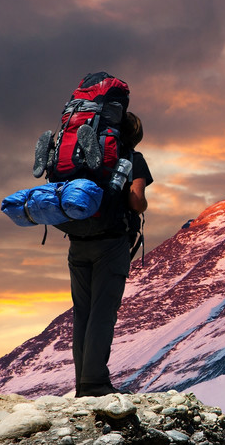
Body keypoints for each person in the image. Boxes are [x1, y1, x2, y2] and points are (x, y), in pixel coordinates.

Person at [67, 111, 152, 397]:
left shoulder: (83, 156)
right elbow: (136, 200)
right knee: (103, 312)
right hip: (112, 243)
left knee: (83, 312)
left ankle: (83, 383)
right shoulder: (132, 158)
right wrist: (141, 206)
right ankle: (94, 384)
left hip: (78, 240)